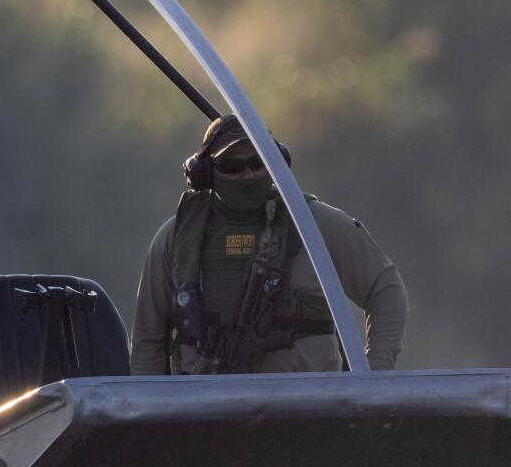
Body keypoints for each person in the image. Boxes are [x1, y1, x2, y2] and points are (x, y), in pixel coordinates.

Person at [131, 117, 408, 375]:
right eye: (231, 166)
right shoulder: (176, 239)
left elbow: (385, 288)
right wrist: (150, 418)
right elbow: (147, 343)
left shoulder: (314, 225)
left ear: (275, 163)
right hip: (204, 415)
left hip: (310, 414)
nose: (248, 174)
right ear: (204, 173)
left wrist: (375, 374)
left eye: (258, 162)